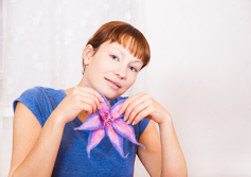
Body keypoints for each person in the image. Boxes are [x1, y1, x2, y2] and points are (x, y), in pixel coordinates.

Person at [8, 21, 188, 177]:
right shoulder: (38, 102)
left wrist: (166, 121)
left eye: (133, 68)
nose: (121, 73)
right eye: (114, 57)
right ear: (89, 55)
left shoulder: (134, 115)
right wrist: (58, 119)